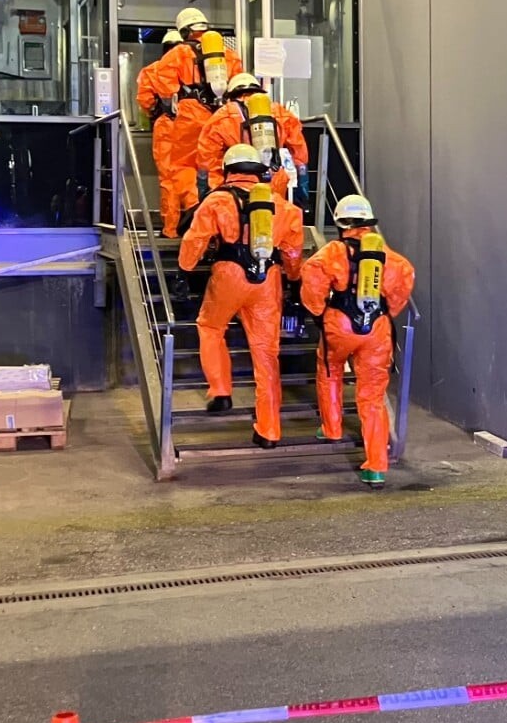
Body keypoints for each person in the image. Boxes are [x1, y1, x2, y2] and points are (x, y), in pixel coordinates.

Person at [178, 143, 304, 449]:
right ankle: (269, 431)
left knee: (210, 327)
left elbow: (195, 239)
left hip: (229, 274)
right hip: (267, 280)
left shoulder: (217, 200)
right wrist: (293, 279)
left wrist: (184, 269)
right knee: (266, 355)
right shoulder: (281, 205)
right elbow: (293, 252)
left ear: (228, 169)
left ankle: (221, 390)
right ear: (258, 171)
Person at [301, 194, 416, 486]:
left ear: (341, 224)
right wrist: (386, 312)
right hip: (376, 328)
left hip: (339, 324)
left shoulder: (333, 252)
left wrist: (319, 312)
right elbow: (404, 280)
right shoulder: (389, 257)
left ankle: (332, 428)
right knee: (373, 396)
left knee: (330, 371)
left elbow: (311, 279)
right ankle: (376, 466)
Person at [148, 8, 244, 210]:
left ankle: (195, 209)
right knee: (216, 165)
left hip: (190, 116)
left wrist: (168, 108)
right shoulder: (229, 55)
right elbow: (238, 89)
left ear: (184, 31)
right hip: (222, 116)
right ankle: (219, 209)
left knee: (184, 166)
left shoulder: (178, 54)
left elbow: (163, 86)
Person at [196, 72, 310, 205]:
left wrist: (205, 189)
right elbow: (299, 152)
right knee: (274, 214)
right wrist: (303, 184)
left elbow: (206, 157)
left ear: (231, 94)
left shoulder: (222, 115)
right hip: (274, 179)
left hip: (238, 182)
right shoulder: (281, 112)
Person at [136, 28, 185, 238]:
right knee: (194, 177)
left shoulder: (152, 70)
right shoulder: (195, 69)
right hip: (194, 127)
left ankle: (171, 228)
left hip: (167, 127)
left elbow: (145, 100)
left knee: (168, 179)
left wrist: (156, 113)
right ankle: (194, 225)